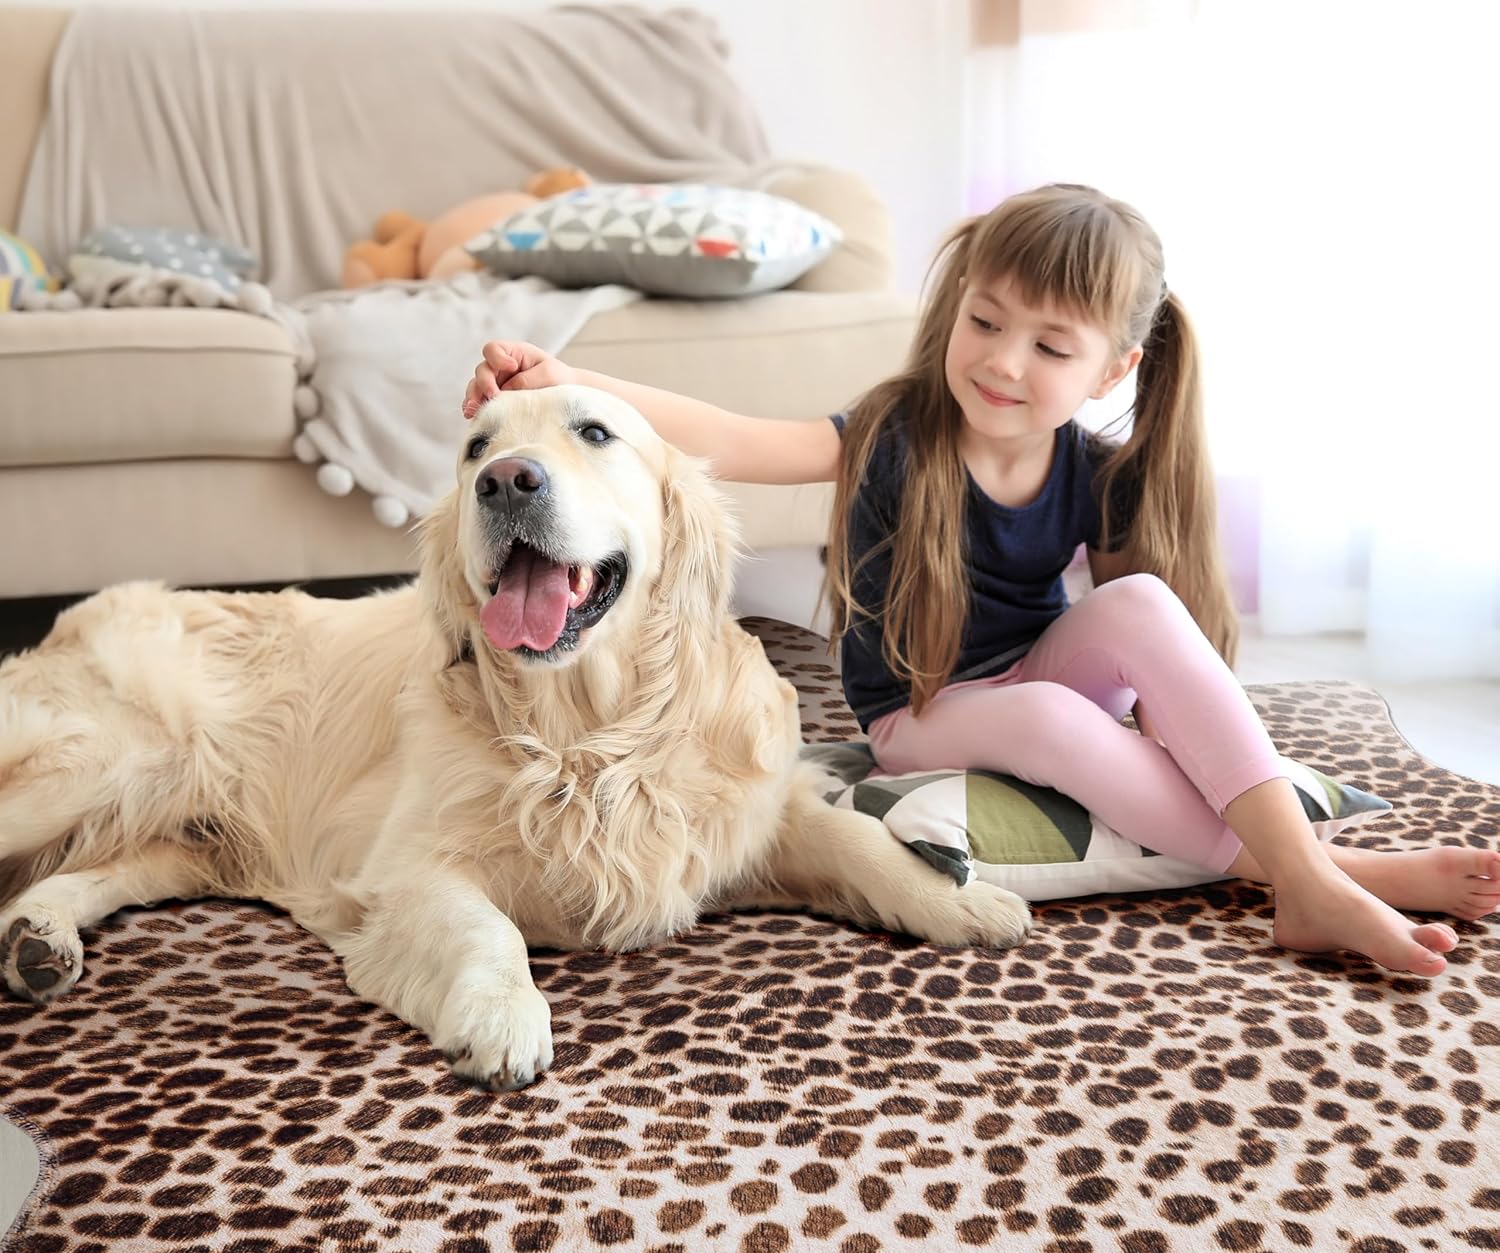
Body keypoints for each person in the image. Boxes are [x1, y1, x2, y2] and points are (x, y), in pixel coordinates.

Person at [463, 182, 1498, 976]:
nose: (1002, 362)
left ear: (1112, 372)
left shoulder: (1099, 475)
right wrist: (571, 383)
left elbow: (1155, 666)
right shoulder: (895, 433)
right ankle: (1315, 876)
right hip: (923, 710)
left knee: (1136, 603)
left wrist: (1168, 727)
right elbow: (735, 437)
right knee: (1048, 717)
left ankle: (1304, 874)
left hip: (1041, 679)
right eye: (985, 321)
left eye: (1049, 345)